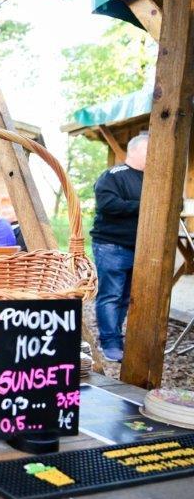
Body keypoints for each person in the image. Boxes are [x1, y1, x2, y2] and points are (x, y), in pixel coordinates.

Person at [90, 133, 148, 362]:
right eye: (149, 150)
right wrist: (145, 205)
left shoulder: (152, 178)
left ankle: (115, 339)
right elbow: (108, 204)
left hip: (139, 248)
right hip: (111, 245)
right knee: (111, 296)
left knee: (125, 298)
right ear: (135, 151)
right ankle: (110, 343)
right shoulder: (113, 175)